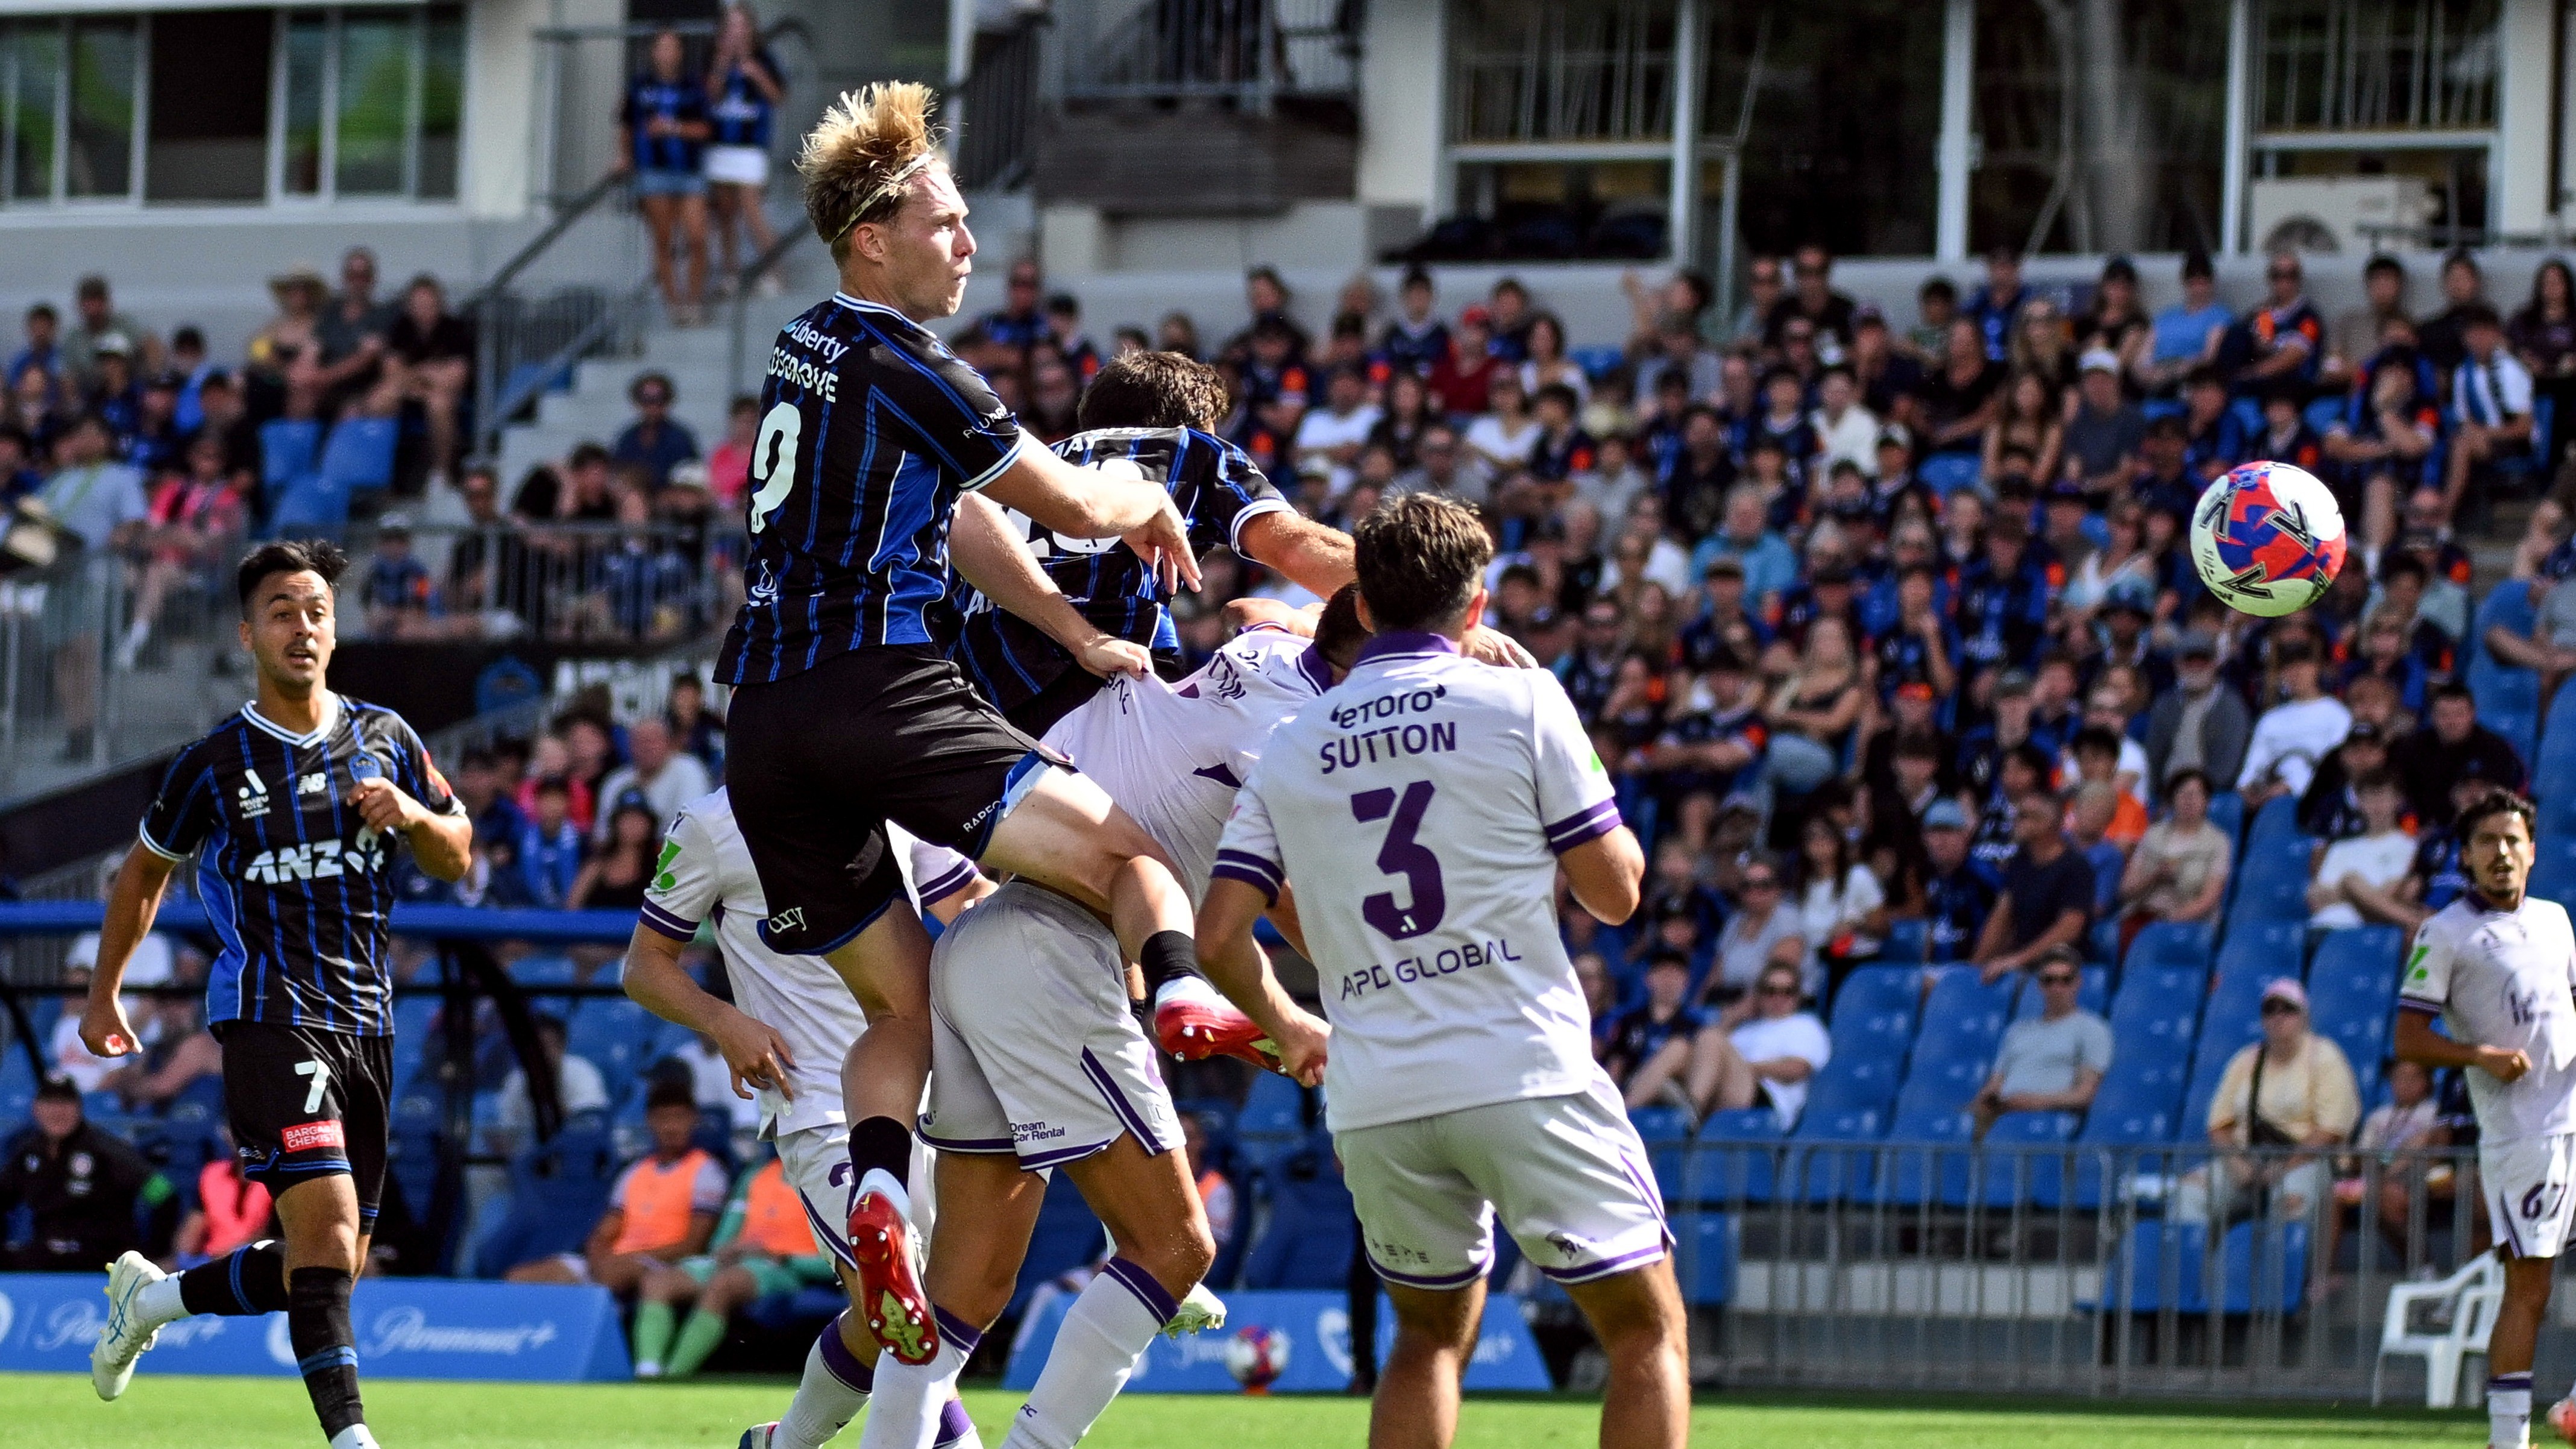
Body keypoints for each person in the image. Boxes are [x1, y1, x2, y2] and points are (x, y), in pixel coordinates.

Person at [716, 81, 1224, 1366]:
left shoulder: (805, 346)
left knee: (905, 1008)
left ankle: (877, 1191)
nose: (969, 244)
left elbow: (959, 515)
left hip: (762, 726)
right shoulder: (906, 358)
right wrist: (1141, 498)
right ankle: (1181, 1002)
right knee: (1130, 860)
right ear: (871, 237)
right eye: (945, 221)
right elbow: (1056, 491)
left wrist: (1066, 631)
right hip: (876, 688)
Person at [1196, 494, 1685, 1449]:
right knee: (1643, 1331)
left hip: (1375, 1088)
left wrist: (1294, 1016)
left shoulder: (1293, 746)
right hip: (1520, 1068)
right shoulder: (1522, 698)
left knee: (1423, 1342)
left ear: (1365, 607)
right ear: (1477, 608)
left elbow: (1218, 938)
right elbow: (1616, 893)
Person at [852, 597, 1367, 1449]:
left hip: (982, 945)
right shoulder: (1301, 738)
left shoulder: (1270, 645)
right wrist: (1327, 1004)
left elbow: (1268, 608)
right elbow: (1265, 907)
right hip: (1056, 957)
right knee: (1173, 1248)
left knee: (963, 1291)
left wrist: (1296, 616)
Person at [76, 539, 473, 1449]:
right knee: (328, 1237)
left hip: (367, 1024)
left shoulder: (388, 739)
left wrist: (413, 817)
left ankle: (155, 1299)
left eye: (318, 611)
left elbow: (459, 850)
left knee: (327, 1265)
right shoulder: (212, 764)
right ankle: (353, 1442)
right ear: (247, 633)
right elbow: (142, 876)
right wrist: (106, 996)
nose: (305, 627)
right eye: (285, 611)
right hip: (267, 1012)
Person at [624, 782, 991, 1447]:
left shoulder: (892, 789)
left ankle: (784, 1443)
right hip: (814, 1102)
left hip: (930, 1094)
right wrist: (723, 1020)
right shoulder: (712, 822)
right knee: (894, 1299)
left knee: (903, 1313)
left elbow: (967, 901)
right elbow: (643, 965)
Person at [948, 349, 1360, 736]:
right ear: (1197, 426)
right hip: (1109, 697)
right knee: (1269, 617)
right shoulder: (1187, 448)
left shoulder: (1021, 472)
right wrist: (1413, 588)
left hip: (978, 716)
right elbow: (1296, 549)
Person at [2395, 788, 2576, 1447]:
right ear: (2465, 858)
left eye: (2510, 840)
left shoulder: (2556, 921)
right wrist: (2480, 1055)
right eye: (2484, 843)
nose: (2499, 853)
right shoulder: (2443, 933)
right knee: (2528, 1287)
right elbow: (2407, 1038)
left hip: (2575, 1120)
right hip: (2523, 1137)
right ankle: (2509, 1442)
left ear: (2530, 850)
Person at [631, 1151, 836, 1380]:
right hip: (738, 1259)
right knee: (658, 1282)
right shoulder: (756, 1175)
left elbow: (837, 1259)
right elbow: (725, 1235)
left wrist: (784, 1257)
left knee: (723, 1285)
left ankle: (674, 1377)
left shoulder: (831, 1179)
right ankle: (648, 1371)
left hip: (784, 1268)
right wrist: (726, 1249)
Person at [2174, 978, 2361, 1227]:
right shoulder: (2245, 1060)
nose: (2278, 1017)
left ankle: (2281, 1267)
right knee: (2188, 1194)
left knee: (2290, 1201)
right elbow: (2218, 1126)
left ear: (2304, 1017)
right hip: (2249, 1162)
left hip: (2306, 1161)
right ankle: (2197, 1265)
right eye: (2270, 1010)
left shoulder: (2325, 1056)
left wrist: (2284, 1167)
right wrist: (2237, 1165)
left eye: (2288, 1010)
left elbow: (2331, 1131)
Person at [506, 1081, 725, 1289]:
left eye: (679, 1118)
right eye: (663, 1119)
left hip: (663, 1265)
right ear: (650, 1121)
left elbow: (693, 1245)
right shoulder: (634, 1172)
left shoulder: (706, 1171)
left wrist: (631, 1258)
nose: (671, 1128)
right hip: (618, 1260)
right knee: (519, 1278)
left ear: (693, 1120)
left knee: (614, 1273)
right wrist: (598, 1257)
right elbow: (606, 1230)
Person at [0, 1073, 166, 1271]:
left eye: (65, 1104)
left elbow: (164, 1193)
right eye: (50, 1103)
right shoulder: (29, 1154)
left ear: (79, 1108)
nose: (57, 1112)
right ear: (36, 1109)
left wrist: (157, 1254)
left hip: (101, 1257)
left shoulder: (106, 1150)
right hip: (46, 1253)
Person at [620, 30, 714, 324]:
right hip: (653, 171)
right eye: (662, 47)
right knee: (663, 239)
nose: (667, 53)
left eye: (673, 47)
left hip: (689, 171)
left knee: (697, 238)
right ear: (654, 52)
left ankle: (694, 301)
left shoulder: (693, 86)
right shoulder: (639, 86)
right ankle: (674, 304)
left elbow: (707, 128)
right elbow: (626, 125)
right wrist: (625, 156)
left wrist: (672, 128)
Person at [1970, 946, 2112, 1137]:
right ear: (2039, 985)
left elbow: (2085, 1094)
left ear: (2078, 983)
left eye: (2065, 980)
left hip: (2047, 1120)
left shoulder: (2093, 1029)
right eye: (2049, 980)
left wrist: (2032, 1102)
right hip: (2001, 1115)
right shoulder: (2018, 1031)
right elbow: (1996, 1083)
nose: (2056, 988)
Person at [1973, 787, 2095, 985]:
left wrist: (2018, 960)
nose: (2017, 822)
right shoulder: (2020, 862)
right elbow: (2002, 916)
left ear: (2049, 823)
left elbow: (2070, 928)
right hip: (2020, 965)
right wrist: (1975, 966)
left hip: (2062, 969)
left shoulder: (2076, 867)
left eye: (2025, 816)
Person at [704, 4, 785, 291]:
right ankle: (731, 274)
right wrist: (723, 65)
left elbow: (778, 97)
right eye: (732, 26)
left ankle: (776, 270)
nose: (737, 32)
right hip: (720, 146)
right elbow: (707, 98)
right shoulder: (716, 60)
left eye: (742, 25)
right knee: (725, 212)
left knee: (752, 210)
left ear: (750, 29)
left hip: (751, 147)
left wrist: (757, 74)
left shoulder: (764, 59)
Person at [2443, 304, 2536, 523]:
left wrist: (2485, 433)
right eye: (2472, 334)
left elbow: (2524, 428)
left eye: (2484, 333)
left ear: (2496, 334)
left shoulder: (2510, 370)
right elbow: (2463, 418)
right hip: (2478, 440)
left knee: (2461, 446)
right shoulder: (2462, 373)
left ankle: (2444, 514)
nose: (2478, 339)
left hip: (2511, 442)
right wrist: (2473, 432)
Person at [2391, 681, 2530, 828]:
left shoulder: (2495, 749)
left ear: (2472, 714)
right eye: (2444, 715)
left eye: (2459, 714)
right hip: (2423, 830)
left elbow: (2501, 798)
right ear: (2432, 716)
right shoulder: (2413, 748)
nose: (2452, 722)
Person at [2117, 768, 2230, 945]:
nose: (2189, 801)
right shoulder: (2152, 835)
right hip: (2144, 915)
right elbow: (2126, 890)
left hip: (2189, 922)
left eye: (2196, 795)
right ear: (2172, 799)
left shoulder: (2218, 842)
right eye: (2183, 794)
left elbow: (2209, 898)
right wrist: (2155, 876)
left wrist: (2171, 920)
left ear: (2207, 801)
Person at [2237, 641, 2351, 804]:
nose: (2295, 673)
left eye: (2302, 666)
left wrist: (2291, 786)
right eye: (2289, 668)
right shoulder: (2270, 719)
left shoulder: (2337, 714)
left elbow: (2335, 769)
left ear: (2315, 669)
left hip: (2317, 797)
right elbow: (2251, 771)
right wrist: (2248, 790)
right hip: (2269, 798)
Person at [385, 274, 473, 483]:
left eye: (430, 305)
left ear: (440, 304)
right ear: (409, 307)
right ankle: (380, 477)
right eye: (419, 305)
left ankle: (442, 474)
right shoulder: (401, 328)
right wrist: (426, 374)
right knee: (382, 399)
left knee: (438, 404)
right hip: (411, 392)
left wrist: (415, 376)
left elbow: (457, 376)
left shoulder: (454, 329)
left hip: (443, 394)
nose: (425, 310)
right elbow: (391, 371)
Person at [2306, 769, 2417, 930]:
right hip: (2322, 927)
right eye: (2370, 798)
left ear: (2398, 801)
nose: (2377, 806)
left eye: (2383, 798)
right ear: (2359, 802)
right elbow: (2317, 898)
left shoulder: (2408, 845)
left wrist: (2347, 888)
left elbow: (2389, 895)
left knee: (2351, 879)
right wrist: (2355, 892)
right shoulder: (2340, 847)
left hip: (2365, 930)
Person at [491, 1014, 613, 1151]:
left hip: (577, 1155)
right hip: (530, 1159)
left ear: (562, 1046)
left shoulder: (583, 1073)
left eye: (546, 1046)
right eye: (534, 1047)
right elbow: (508, 1131)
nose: (540, 1054)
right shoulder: (515, 1080)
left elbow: (591, 1123)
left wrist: (550, 1101)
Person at [611, 371, 702, 492]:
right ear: (637, 402)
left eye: (660, 399)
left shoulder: (681, 439)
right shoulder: (627, 438)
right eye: (647, 399)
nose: (653, 406)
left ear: (668, 401)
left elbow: (690, 481)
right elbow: (617, 474)